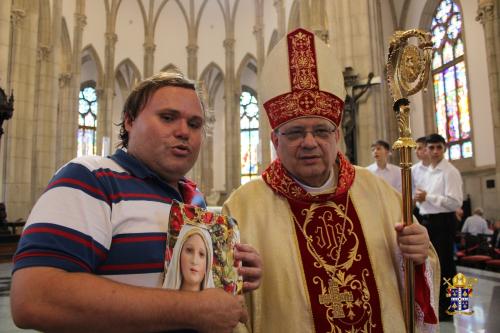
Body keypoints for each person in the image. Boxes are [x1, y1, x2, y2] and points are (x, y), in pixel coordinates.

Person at [10, 71, 262, 333]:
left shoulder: (194, 201)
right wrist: (192, 309)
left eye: (195, 124)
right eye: (168, 117)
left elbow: (184, 285)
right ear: (129, 121)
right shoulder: (90, 178)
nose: (184, 131)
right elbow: (34, 298)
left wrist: (233, 273)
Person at [223, 28, 439, 333]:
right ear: (275, 139)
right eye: (296, 132)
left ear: (337, 136)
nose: (310, 142)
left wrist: (418, 256)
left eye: (321, 131)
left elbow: (419, 277)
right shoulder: (243, 209)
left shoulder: (379, 194)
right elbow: (228, 309)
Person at [414, 133, 463, 321]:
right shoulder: (426, 171)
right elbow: (423, 198)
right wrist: (420, 202)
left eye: (438, 148)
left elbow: (454, 202)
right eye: (431, 148)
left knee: (446, 264)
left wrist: (429, 198)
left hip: (443, 221)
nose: (434, 151)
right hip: (428, 221)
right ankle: (436, 304)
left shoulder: (449, 171)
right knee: (432, 265)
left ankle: (453, 308)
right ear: (426, 149)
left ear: (444, 149)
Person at [163, 225, 215, 291]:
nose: (194, 261)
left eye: (201, 254)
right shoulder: (165, 300)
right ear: (179, 253)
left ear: (208, 263)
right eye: (189, 250)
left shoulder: (214, 301)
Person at [412, 136, 430, 223]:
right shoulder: (413, 170)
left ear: (427, 149)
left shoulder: (440, 168)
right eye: (415, 148)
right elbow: (411, 192)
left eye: (419, 148)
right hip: (420, 212)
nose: (416, 151)